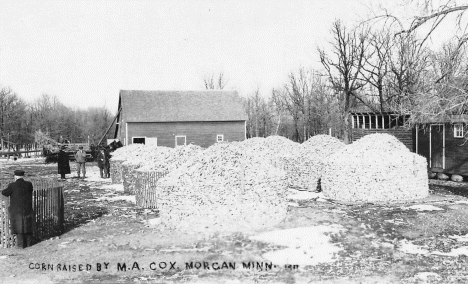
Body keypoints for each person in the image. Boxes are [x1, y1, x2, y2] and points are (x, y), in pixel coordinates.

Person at [1, 170, 34, 248]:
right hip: (27, 208)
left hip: (17, 210)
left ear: (15, 177)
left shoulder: (12, 185)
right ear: (23, 176)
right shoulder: (29, 184)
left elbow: (4, 193)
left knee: (19, 227)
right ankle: (29, 244)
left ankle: (21, 245)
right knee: (27, 225)